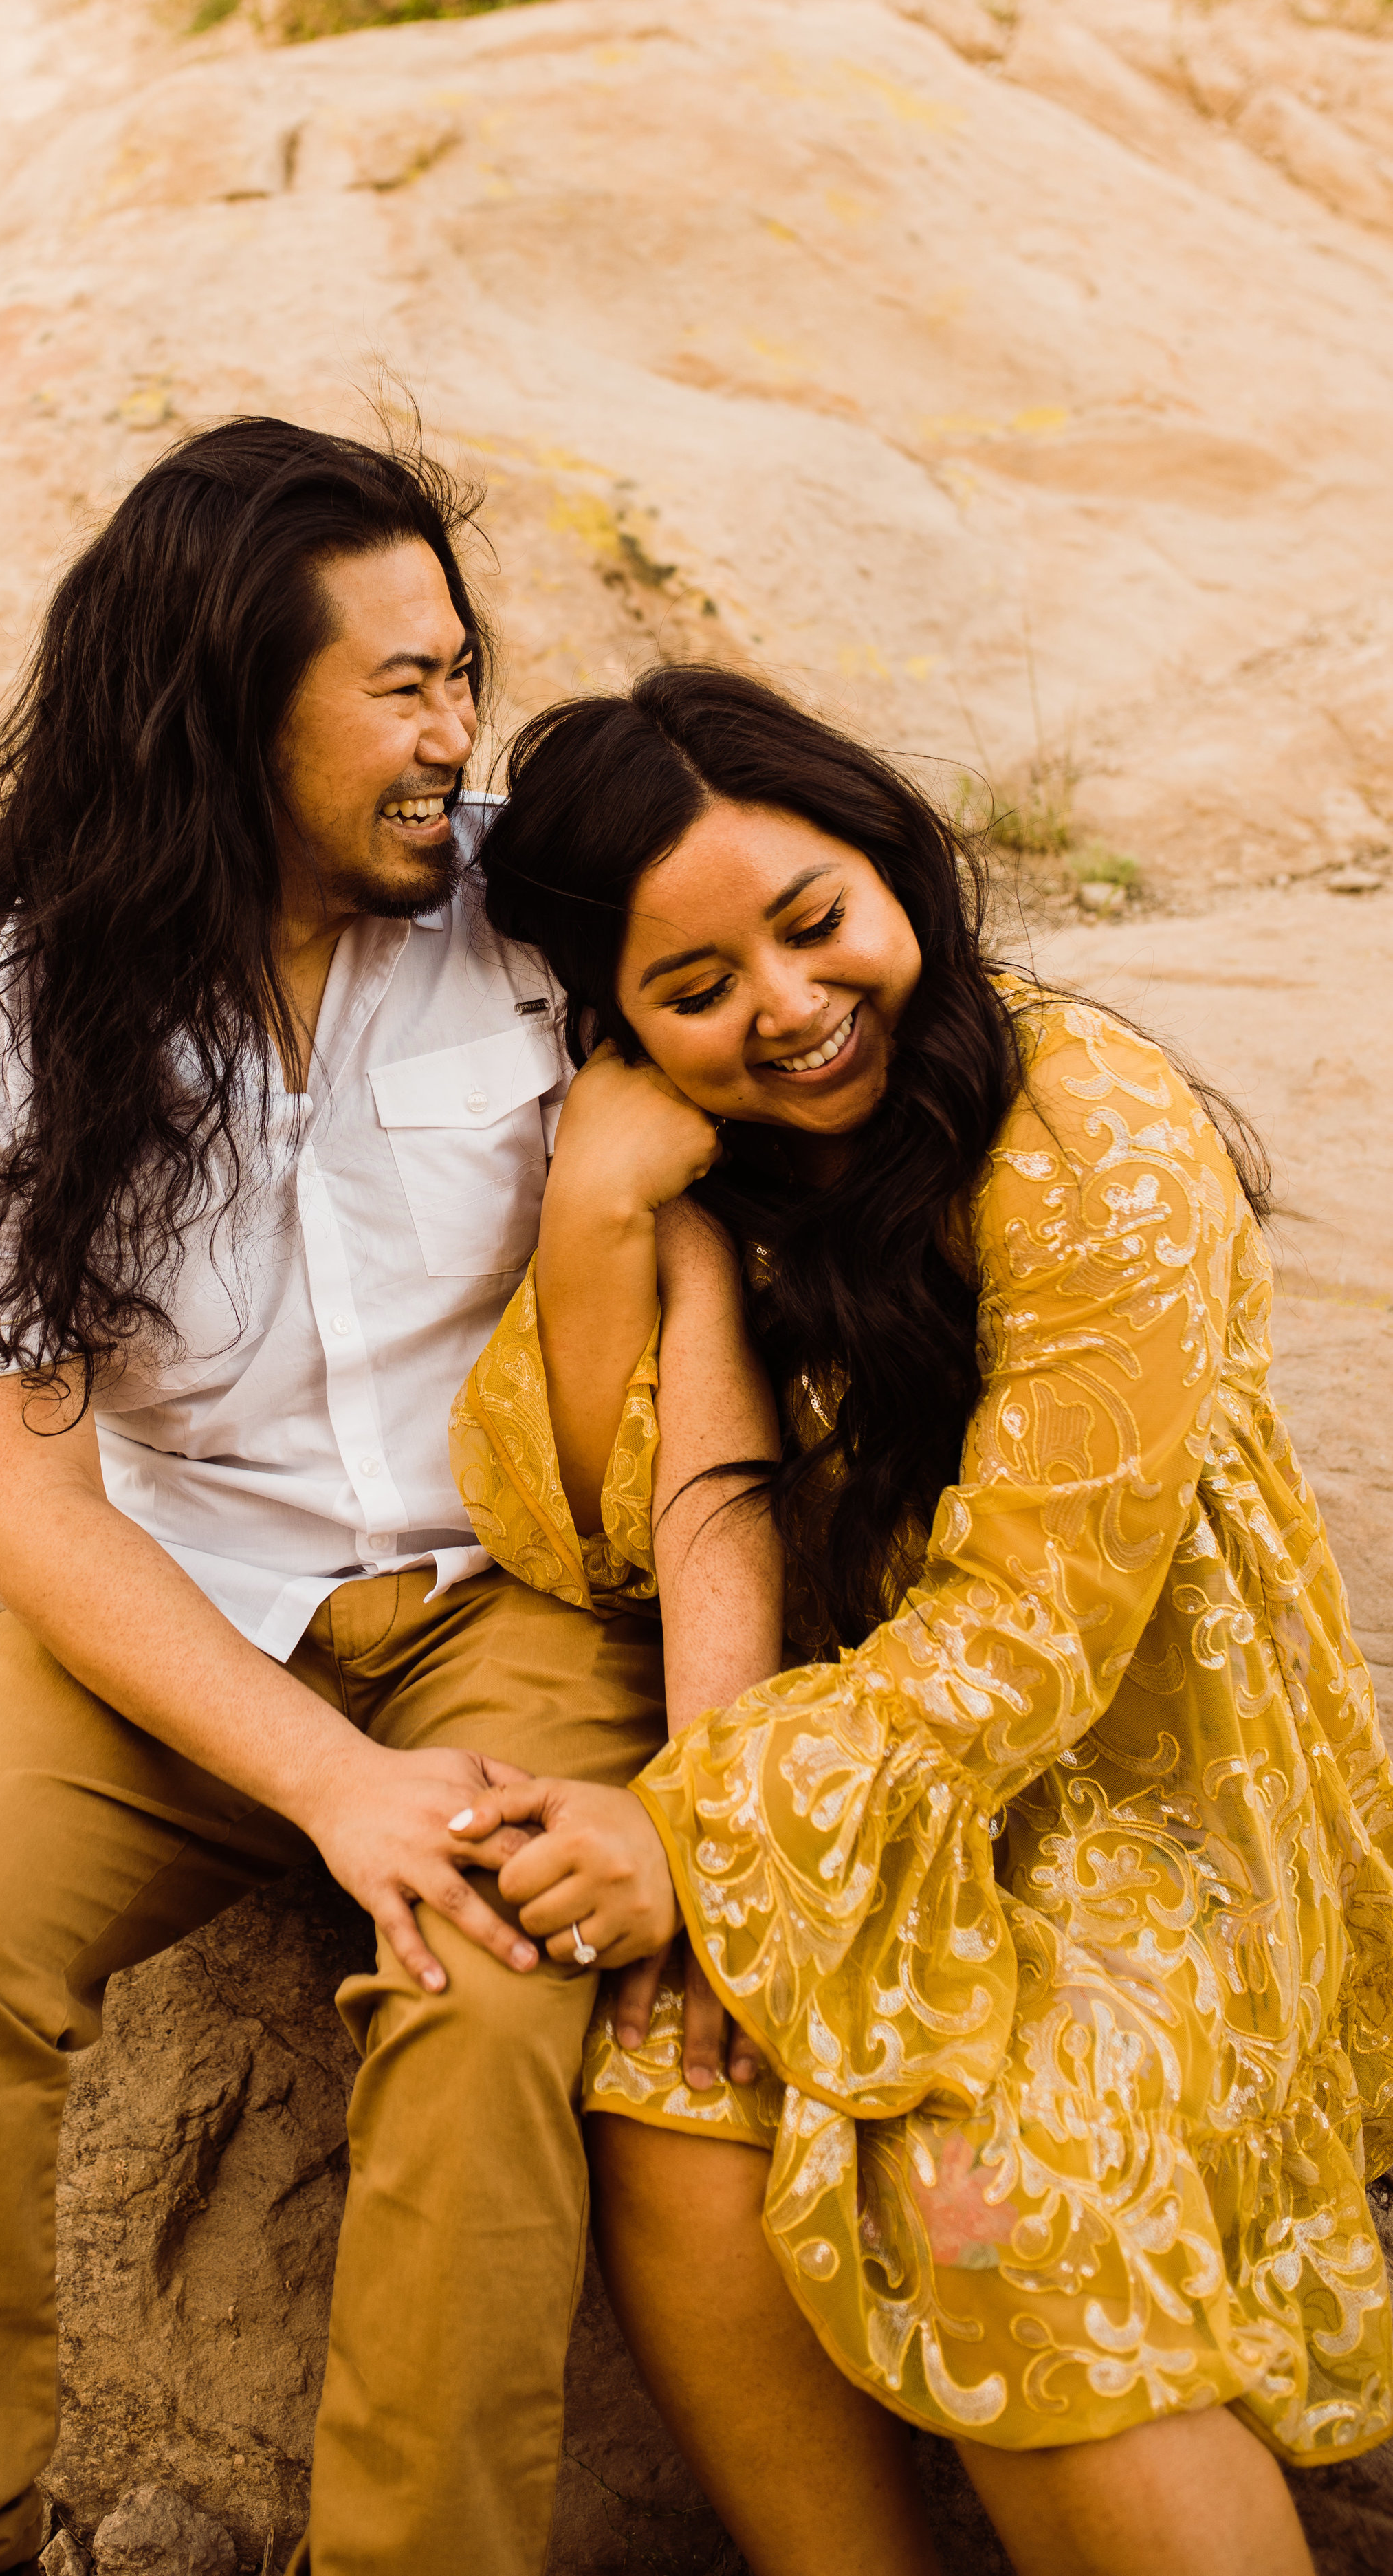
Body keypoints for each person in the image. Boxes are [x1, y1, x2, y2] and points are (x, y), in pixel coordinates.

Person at [0, 419, 672, 2576]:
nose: (454, 733)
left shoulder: (532, 919)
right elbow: (22, 1482)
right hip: (182, 1596)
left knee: (481, 2002)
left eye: (461, 670)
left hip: (518, 1591)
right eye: (400, 683)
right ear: (221, 703)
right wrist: (329, 1787)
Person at [446, 664, 1393, 2576]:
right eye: (695, 989)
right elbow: (588, 1538)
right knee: (667, 2094)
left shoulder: (1090, 1130)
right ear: (618, 1023)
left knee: (1009, 2181)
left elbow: (1035, 1641)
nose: (787, 1009)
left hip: (1143, 1798)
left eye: (814, 924)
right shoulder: (721, 1179)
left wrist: (692, 1835)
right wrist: (599, 1216)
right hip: (856, 1783)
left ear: (897, 867)